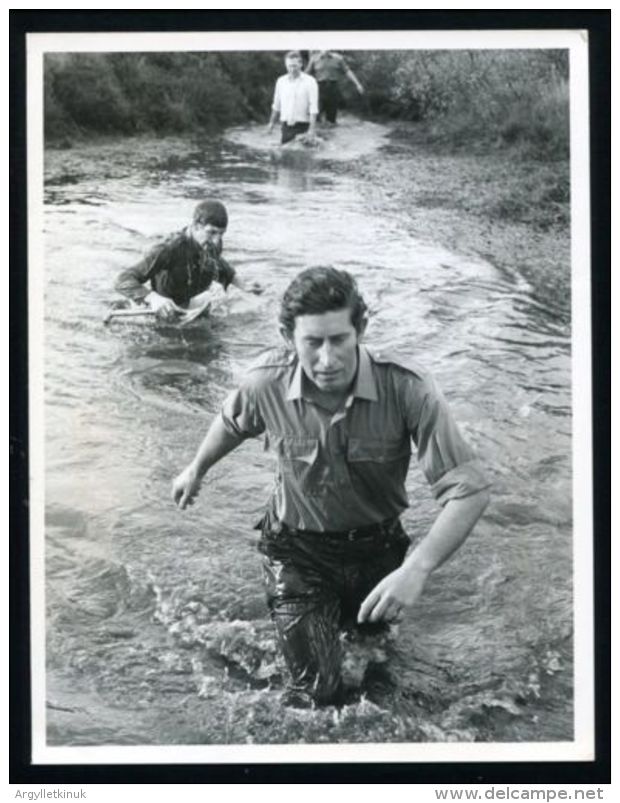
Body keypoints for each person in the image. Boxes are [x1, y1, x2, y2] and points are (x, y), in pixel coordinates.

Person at [172, 267, 491, 707]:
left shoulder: (407, 388)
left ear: (360, 329)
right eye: (312, 343)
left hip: (379, 552)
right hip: (296, 552)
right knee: (317, 693)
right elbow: (231, 422)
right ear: (289, 337)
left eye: (339, 339)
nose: (327, 359)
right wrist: (196, 468)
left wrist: (416, 569)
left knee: (373, 664)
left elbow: (469, 491)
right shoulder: (265, 382)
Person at [114, 199, 262, 321]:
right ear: (196, 226)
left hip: (191, 302)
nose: (217, 241)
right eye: (212, 233)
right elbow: (122, 280)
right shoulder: (168, 249)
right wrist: (153, 299)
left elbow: (220, 263)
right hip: (164, 307)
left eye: (221, 234)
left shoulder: (211, 243)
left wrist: (244, 285)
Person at [268, 51, 319, 145]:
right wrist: (271, 124)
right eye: (289, 66)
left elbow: (313, 108)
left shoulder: (310, 82)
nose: (292, 69)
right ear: (285, 65)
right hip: (286, 127)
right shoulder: (281, 81)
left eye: (294, 66)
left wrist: (311, 130)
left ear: (301, 64)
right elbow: (276, 105)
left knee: (302, 156)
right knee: (286, 156)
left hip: (303, 126)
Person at [305, 50, 364, 125]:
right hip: (319, 88)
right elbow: (306, 74)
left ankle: (330, 130)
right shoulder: (314, 59)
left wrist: (357, 84)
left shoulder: (338, 58)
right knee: (316, 114)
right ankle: (316, 132)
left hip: (333, 88)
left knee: (331, 118)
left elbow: (348, 72)